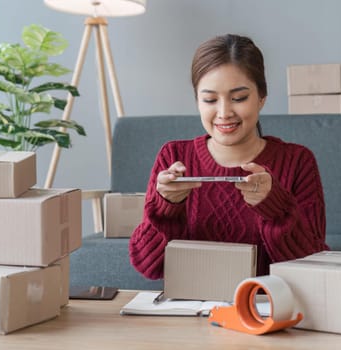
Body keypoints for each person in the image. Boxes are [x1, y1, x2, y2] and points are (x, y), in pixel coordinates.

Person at [129, 34, 328, 280]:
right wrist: (166, 207)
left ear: (261, 98)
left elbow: (314, 266)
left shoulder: (297, 161)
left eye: (239, 98)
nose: (224, 113)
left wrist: (275, 206)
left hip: (267, 310)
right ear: (197, 102)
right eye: (210, 100)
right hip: (192, 311)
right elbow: (147, 265)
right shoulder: (174, 156)